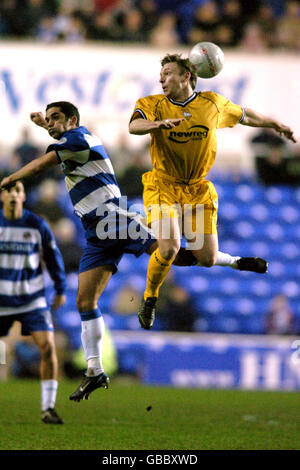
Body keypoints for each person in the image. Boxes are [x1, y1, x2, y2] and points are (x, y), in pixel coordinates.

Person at [0, 101, 270, 402]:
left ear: (72, 120)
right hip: (95, 231)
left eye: (55, 118)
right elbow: (59, 140)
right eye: (47, 119)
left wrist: (9, 179)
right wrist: (46, 126)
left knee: (174, 254)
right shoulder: (72, 139)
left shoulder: (76, 138)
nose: (50, 123)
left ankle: (232, 261)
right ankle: (94, 371)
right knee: (85, 300)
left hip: (114, 217)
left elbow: (40, 165)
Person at [129, 53, 296, 330]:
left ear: (186, 76)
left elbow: (244, 115)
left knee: (206, 259)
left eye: (168, 73)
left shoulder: (212, 104)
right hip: (163, 185)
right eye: (160, 75)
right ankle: (150, 298)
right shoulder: (152, 104)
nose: (162, 78)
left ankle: (236, 262)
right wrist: (155, 125)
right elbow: (134, 125)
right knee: (169, 248)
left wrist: (273, 124)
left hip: (198, 189)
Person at [0, 181, 67, 424]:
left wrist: (60, 288)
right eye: (9, 191)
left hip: (31, 299)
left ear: (24, 195)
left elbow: (52, 256)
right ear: (2, 195)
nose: (14, 195)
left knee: (48, 347)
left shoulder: (37, 224)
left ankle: (48, 408)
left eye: (18, 190)